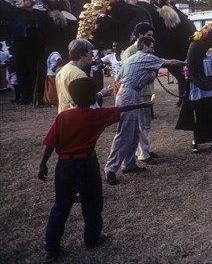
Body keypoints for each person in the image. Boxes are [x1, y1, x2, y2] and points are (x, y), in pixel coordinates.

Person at [38, 77, 152, 262]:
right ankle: (92, 239)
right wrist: (142, 105)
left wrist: (43, 164)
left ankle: (51, 247)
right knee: (92, 204)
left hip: (64, 165)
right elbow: (121, 109)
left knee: (61, 205)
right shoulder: (97, 116)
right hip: (86, 164)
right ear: (91, 97)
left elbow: (51, 143)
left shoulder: (62, 117)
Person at [104, 36, 186, 185]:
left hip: (128, 93)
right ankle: (110, 169)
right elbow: (171, 63)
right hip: (129, 94)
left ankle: (129, 165)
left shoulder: (131, 59)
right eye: (152, 47)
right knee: (124, 135)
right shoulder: (145, 57)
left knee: (134, 132)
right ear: (145, 46)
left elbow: (121, 78)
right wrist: (188, 62)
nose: (153, 50)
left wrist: (150, 75)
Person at [121, 23, 157, 164]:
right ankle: (143, 153)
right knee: (140, 124)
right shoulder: (130, 51)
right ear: (140, 35)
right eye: (148, 35)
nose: (151, 38)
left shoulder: (149, 49)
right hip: (137, 91)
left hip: (147, 90)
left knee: (145, 123)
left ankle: (143, 150)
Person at [189, 53, 212, 153]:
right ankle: (195, 141)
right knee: (198, 119)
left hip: (210, 93)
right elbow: (186, 75)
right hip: (197, 94)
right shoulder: (190, 58)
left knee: (211, 117)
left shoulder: (209, 57)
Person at [55, 39, 103, 114]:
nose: (92, 56)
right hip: (76, 118)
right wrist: (102, 93)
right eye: (91, 53)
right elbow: (86, 102)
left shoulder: (61, 71)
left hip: (63, 116)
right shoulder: (79, 74)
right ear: (81, 55)